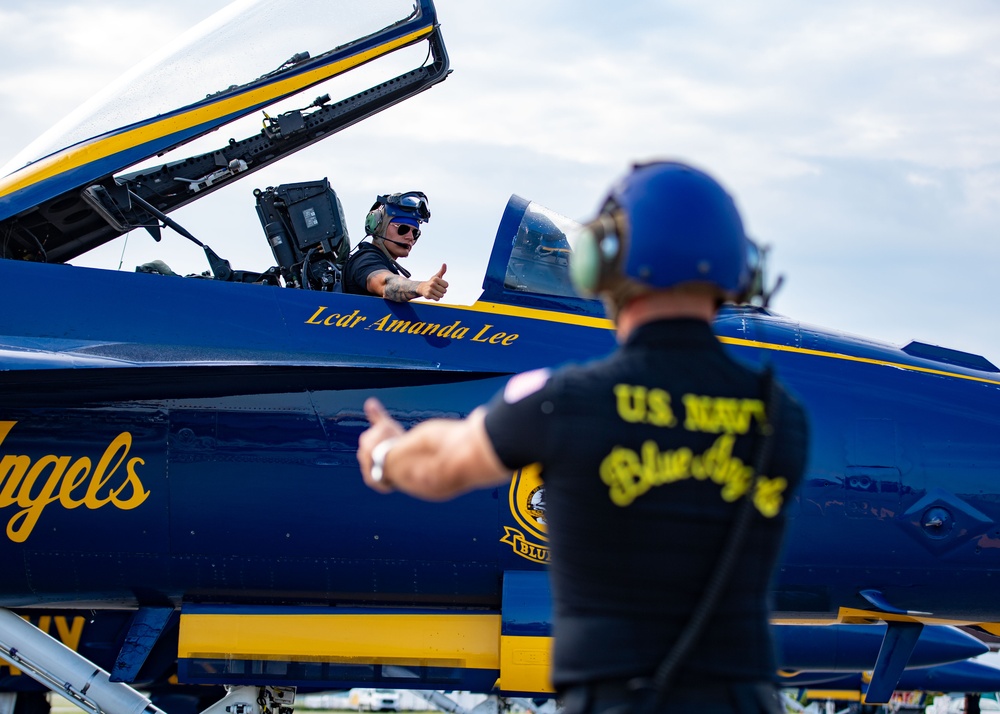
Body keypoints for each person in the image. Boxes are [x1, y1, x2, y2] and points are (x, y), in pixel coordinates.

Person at [355, 161, 809, 714]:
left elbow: (438, 466)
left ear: (601, 265)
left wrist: (382, 453)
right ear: (743, 271)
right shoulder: (782, 418)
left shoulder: (560, 398)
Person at [343, 191, 449, 301]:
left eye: (415, 233)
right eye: (403, 229)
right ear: (378, 227)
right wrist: (421, 287)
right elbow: (386, 284)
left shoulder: (386, 265)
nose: (410, 237)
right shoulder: (365, 260)